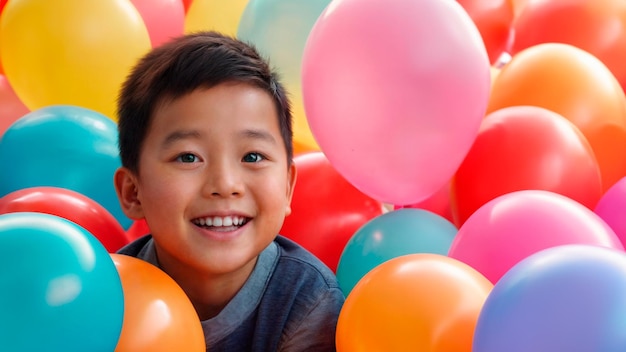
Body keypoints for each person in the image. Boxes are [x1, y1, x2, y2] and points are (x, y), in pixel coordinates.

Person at [114, 31, 345, 351]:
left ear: (288, 187)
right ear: (133, 193)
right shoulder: (110, 298)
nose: (224, 185)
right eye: (188, 157)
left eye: (252, 156)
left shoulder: (307, 303)